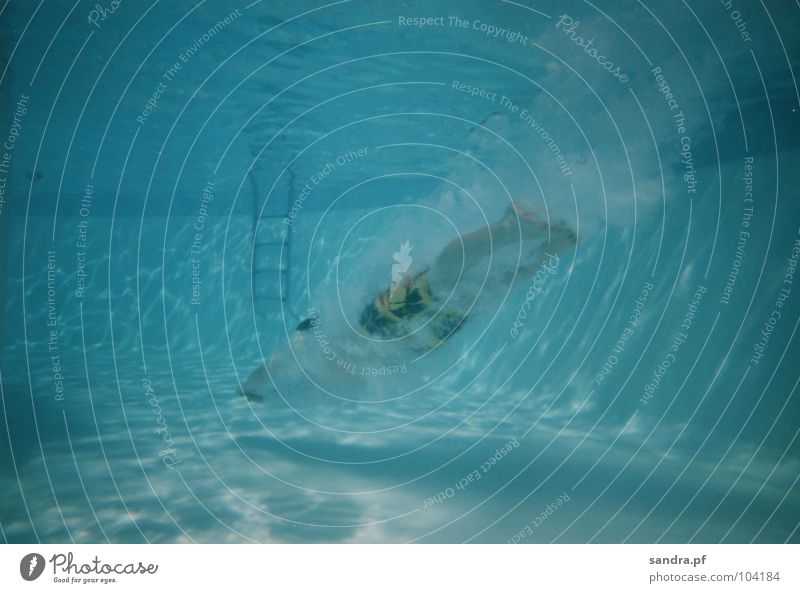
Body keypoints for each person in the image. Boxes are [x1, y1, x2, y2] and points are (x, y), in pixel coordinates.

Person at [240, 202, 576, 401]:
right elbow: (274, 365)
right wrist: (250, 387)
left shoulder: (313, 361)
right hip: (395, 335)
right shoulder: (315, 364)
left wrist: (249, 389)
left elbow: (274, 364)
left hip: (399, 338)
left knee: (468, 291)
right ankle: (527, 236)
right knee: (459, 285)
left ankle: (545, 243)